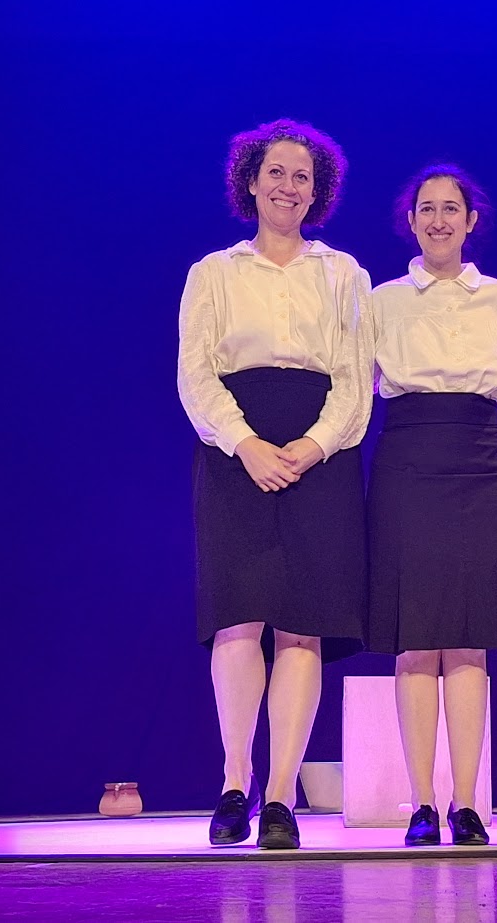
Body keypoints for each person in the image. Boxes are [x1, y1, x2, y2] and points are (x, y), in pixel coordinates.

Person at [177, 118, 372, 850]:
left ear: (317, 192)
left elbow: (355, 378)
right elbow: (196, 375)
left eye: (302, 176)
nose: (289, 186)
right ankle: (236, 782)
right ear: (251, 183)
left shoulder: (344, 273)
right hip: (236, 451)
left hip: (321, 450)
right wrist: (247, 443)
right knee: (238, 619)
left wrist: (313, 446)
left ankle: (283, 795)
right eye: (277, 173)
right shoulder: (214, 272)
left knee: (302, 623)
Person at [367, 164, 497, 847]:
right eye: (427, 209)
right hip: (407, 457)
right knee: (415, 637)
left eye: (451, 209)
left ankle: (466, 804)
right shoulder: (381, 299)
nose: (439, 220)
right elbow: (355, 384)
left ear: (471, 221)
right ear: (411, 222)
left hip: (481, 460)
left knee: (468, 635)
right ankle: (421, 804)